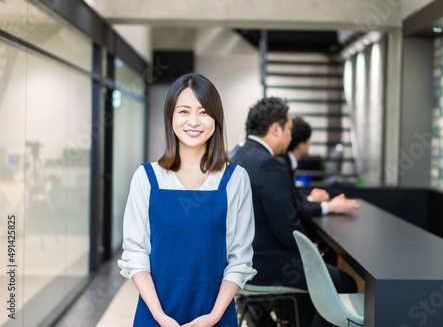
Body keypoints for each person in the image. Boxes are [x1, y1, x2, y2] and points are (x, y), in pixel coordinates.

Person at [118, 73, 257, 327]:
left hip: (215, 314)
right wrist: (160, 318)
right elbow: (135, 254)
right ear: (170, 116)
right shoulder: (147, 178)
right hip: (155, 314)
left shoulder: (235, 179)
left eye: (204, 112)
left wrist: (213, 317)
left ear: (216, 118)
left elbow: (240, 258)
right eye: (184, 111)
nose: (194, 121)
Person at [231, 97, 357, 327]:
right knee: (343, 282)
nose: (290, 137)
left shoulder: (235, 155)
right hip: (264, 264)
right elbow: (286, 225)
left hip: (239, 261)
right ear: (276, 129)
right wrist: (310, 251)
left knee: (319, 269)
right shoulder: (270, 165)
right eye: (289, 129)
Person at [277, 116, 359, 218]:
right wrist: (330, 206)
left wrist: (310, 199)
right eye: (308, 138)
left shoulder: (287, 162)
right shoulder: (282, 165)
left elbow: (294, 200)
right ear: (300, 145)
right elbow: (294, 208)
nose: (310, 142)